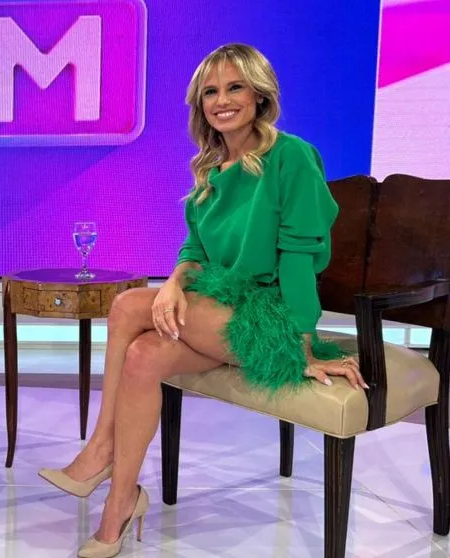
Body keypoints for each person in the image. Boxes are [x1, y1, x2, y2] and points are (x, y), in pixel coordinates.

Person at [37, 43, 368, 558]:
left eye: (235, 87)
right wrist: (173, 282)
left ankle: (100, 447)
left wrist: (302, 343)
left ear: (260, 96)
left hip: (271, 320)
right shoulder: (210, 172)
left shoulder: (292, 157)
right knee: (143, 355)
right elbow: (194, 252)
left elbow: (299, 258)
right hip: (220, 313)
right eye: (211, 92)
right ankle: (119, 505)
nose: (222, 100)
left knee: (126, 307)